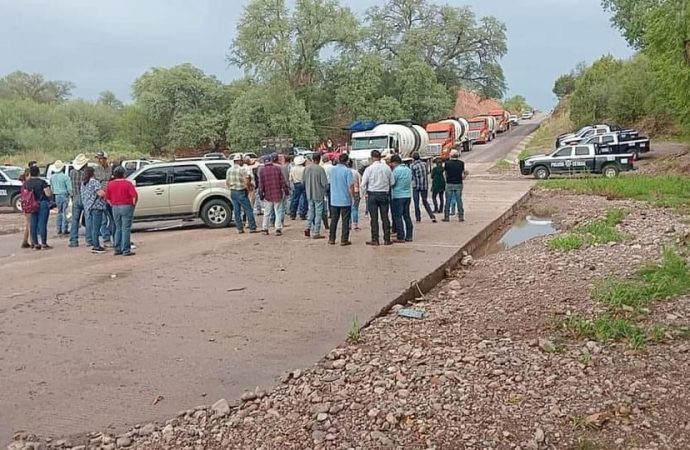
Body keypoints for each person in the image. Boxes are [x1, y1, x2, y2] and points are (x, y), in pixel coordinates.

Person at [360, 149, 394, 246]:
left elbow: (363, 184)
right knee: (385, 217)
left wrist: (364, 194)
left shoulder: (369, 169)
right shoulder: (387, 168)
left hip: (372, 195)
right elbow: (392, 182)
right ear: (380, 157)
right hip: (384, 194)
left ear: (371, 158)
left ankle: (375, 239)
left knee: (374, 218)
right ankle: (387, 239)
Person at [105, 166, 138, 256]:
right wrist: (132, 205)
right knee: (126, 228)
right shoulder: (128, 184)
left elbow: (107, 198)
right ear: (124, 174)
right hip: (126, 206)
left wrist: (112, 204)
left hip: (115, 207)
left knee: (118, 227)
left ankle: (117, 248)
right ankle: (125, 249)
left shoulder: (110, 184)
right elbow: (134, 196)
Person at [259, 153, 290, 236]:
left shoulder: (262, 171)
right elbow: (282, 182)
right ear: (271, 160)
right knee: (278, 212)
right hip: (277, 193)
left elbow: (261, 185)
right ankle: (278, 229)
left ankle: (265, 228)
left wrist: (261, 195)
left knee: (267, 212)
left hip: (268, 194)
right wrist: (286, 192)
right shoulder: (277, 169)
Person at [226, 154, 258, 234]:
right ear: (239, 161)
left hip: (233, 192)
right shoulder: (242, 169)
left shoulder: (229, 170)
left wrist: (232, 187)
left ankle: (239, 228)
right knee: (248, 209)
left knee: (237, 210)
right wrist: (248, 188)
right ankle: (252, 227)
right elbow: (247, 180)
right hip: (241, 191)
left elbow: (227, 182)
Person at [328, 153, 355, 246]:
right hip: (344, 200)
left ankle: (331, 239)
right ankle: (344, 240)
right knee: (345, 221)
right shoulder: (348, 171)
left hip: (334, 200)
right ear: (347, 161)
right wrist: (352, 198)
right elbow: (350, 186)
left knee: (334, 220)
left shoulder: (332, 170)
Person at [25, 165, 52, 250]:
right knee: (42, 223)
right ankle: (44, 243)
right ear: (38, 172)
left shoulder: (27, 183)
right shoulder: (42, 182)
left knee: (33, 224)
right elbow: (48, 194)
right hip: (42, 203)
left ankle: (35, 243)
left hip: (31, 204)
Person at [303, 153, 329, 239]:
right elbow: (324, 183)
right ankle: (316, 232)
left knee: (311, 211)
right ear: (319, 159)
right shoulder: (320, 169)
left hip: (309, 193)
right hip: (318, 194)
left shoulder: (306, 169)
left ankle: (307, 227)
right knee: (318, 213)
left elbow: (302, 182)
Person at [82, 166, 107, 253]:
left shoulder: (84, 183)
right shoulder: (95, 182)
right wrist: (105, 192)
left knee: (92, 226)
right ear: (93, 173)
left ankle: (94, 243)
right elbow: (100, 193)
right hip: (97, 207)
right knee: (96, 227)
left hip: (89, 207)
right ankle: (96, 245)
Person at [390, 154, 414, 242]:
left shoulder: (396, 171)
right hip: (407, 195)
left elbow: (392, 183)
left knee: (398, 216)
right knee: (407, 215)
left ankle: (400, 236)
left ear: (394, 162)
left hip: (398, 196)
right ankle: (409, 235)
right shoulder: (408, 170)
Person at [69, 153, 90, 248]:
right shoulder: (86, 174)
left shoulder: (72, 173)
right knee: (88, 219)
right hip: (85, 197)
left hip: (75, 197)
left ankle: (73, 240)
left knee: (75, 220)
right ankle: (89, 240)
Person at [94, 151, 115, 245]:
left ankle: (115, 238)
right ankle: (106, 239)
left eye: (101, 158)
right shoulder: (96, 170)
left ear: (105, 159)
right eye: (98, 158)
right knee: (103, 220)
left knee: (113, 218)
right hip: (101, 197)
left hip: (111, 196)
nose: (99, 160)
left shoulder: (111, 169)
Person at [410, 152, 436, 223]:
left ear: (413, 158)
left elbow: (412, 176)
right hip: (424, 185)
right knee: (425, 201)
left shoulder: (412, 166)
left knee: (416, 203)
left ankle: (418, 219)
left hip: (416, 186)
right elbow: (427, 172)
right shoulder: (424, 164)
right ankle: (432, 216)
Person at [443, 150, 468, 222]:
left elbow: (445, 173)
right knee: (459, 200)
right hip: (458, 183)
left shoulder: (447, 163)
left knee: (448, 200)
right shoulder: (461, 163)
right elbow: (463, 175)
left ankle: (446, 216)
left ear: (451, 155)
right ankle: (461, 216)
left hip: (449, 183)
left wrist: (446, 180)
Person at [49, 160, 72, 236]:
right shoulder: (65, 177)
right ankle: (64, 229)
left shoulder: (52, 177)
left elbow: (52, 188)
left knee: (59, 212)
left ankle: (58, 228)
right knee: (65, 212)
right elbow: (69, 188)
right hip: (64, 195)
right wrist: (71, 195)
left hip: (56, 195)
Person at [289, 155, 308, 220]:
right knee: (304, 199)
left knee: (294, 199)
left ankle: (292, 214)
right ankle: (303, 214)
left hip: (296, 184)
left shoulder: (292, 168)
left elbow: (290, 178)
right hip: (303, 184)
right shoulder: (304, 169)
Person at [18, 169, 32, 249]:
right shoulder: (27, 185)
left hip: (25, 206)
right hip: (28, 206)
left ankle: (25, 241)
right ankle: (30, 241)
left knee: (27, 224)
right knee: (30, 225)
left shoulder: (23, 185)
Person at [348, 159, 362, 230]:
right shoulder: (356, 172)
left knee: (348, 208)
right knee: (355, 208)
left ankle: (349, 224)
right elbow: (360, 183)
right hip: (356, 191)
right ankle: (355, 224)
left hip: (347, 192)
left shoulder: (345, 172)